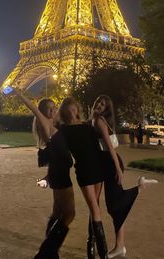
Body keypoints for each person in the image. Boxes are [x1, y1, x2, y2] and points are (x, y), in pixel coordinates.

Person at [90, 95, 158, 259]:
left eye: (103, 104)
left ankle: (139, 188)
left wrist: (118, 169)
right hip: (108, 163)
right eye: (98, 102)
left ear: (106, 109)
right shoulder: (97, 120)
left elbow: (109, 147)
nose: (99, 105)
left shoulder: (99, 121)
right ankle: (120, 246)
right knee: (115, 205)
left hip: (110, 163)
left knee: (114, 205)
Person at [12, 90, 75, 259]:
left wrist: (47, 177)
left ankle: (50, 251)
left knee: (57, 213)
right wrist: (20, 94)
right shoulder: (46, 125)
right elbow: (33, 108)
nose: (53, 111)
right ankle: (47, 251)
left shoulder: (53, 126)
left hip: (57, 174)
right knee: (69, 214)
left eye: (54, 108)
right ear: (42, 112)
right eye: (49, 109)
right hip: (61, 175)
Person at [58, 97, 108, 259]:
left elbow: (102, 142)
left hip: (98, 168)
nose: (72, 113)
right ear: (64, 113)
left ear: (77, 110)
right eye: (69, 110)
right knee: (94, 209)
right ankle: (103, 254)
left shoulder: (88, 125)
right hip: (85, 170)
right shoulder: (63, 130)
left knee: (96, 208)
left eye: (74, 109)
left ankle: (91, 241)